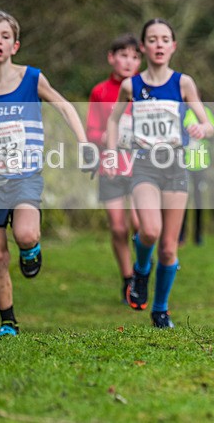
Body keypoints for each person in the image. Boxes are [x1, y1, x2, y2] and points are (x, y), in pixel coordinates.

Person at [0, 10, 90, 337]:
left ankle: (31, 250)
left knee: (26, 234)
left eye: (4, 36)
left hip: (25, 174)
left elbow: (63, 105)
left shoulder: (31, 78)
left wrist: (84, 142)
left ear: (15, 45)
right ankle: (7, 321)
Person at [105, 18, 214, 329]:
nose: (158, 45)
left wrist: (200, 127)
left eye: (164, 39)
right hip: (144, 165)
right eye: (152, 40)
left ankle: (161, 309)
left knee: (168, 247)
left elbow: (206, 122)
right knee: (149, 231)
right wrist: (113, 153)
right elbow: (113, 121)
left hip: (175, 166)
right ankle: (140, 271)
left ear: (173, 46)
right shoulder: (132, 85)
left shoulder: (183, 83)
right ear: (143, 46)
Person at [86, 33, 142, 303]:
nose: (128, 62)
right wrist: (112, 138)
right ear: (112, 57)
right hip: (111, 167)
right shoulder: (100, 91)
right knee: (118, 228)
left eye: (134, 56)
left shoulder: (145, 89)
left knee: (141, 225)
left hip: (141, 167)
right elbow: (92, 130)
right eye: (123, 55)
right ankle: (128, 279)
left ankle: (142, 271)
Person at [179, 102, 214, 246]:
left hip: (201, 163)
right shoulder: (181, 110)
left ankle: (198, 236)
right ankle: (180, 235)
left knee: (198, 201)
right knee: (182, 200)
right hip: (183, 163)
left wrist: (204, 130)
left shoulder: (205, 111)